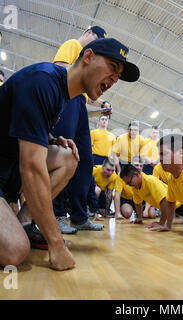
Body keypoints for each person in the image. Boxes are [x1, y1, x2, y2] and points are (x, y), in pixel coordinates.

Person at [0, 37, 140, 271]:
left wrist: (50, 139)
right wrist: (56, 243)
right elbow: (32, 169)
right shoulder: (43, 81)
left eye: (118, 75)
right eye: (112, 67)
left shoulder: (61, 93)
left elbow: (20, 125)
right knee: (14, 251)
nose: (114, 79)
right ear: (88, 57)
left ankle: (24, 223)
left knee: (68, 156)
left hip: (5, 165)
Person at [50, 25, 108, 234]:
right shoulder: (73, 45)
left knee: (84, 160)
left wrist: (101, 104)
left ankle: (79, 216)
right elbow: (60, 67)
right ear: (89, 33)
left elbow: (88, 90)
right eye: (96, 40)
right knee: (63, 154)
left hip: (80, 104)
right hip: (67, 99)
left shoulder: (88, 60)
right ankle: (56, 214)